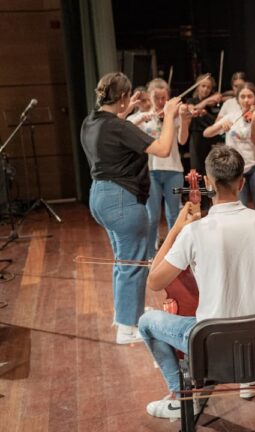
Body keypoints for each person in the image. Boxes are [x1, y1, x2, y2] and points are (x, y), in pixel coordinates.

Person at [139, 146, 255, 418]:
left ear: (205, 182)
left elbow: (155, 281)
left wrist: (177, 229)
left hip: (215, 345)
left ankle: (182, 400)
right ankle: (250, 379)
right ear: (242, 183)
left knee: (147, 322)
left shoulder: (194, 232)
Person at [80, 72, 181, 344]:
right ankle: (127, 328)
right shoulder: (119, 127)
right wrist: (170, 115)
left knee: (122, 260)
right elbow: (161, 148)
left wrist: (129, 110)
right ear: (123, 98)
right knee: (133, 263)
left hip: (100, 195)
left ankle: (125, 313)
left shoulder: (91, 121)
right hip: (122, 199)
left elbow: (113, 128)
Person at [128, 78, 192, 255]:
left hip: (174, 170)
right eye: (157, 98)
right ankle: (150, 255)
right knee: (152, 216)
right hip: (150, 171)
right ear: (149, 96)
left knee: (174, 215)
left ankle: (176, 254)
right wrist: (141, 118)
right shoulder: (142, 117)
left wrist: (185, 121)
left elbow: (182, 140)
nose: (161, 102)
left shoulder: (173, 116)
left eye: (164, 98)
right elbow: (124, 128)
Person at [204, 82, 255, 214]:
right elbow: (206, 133)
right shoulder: (231, 116)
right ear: (237, 99)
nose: (246, 100)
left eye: (250, 96)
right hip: (237, 168)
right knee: (239, 208)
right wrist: (220, 126)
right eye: (242, 97)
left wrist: (254, 123)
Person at [186, 74, 222, 174]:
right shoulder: (191, 101)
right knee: (197, 168)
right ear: (197, 86)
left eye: (209, 87)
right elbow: (194, 109)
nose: (206, 89)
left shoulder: (215, 103)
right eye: (203, 86)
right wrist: (206, 102)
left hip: (213, 137)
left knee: (213, 169)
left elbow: (218, 121)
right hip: (196, 138)